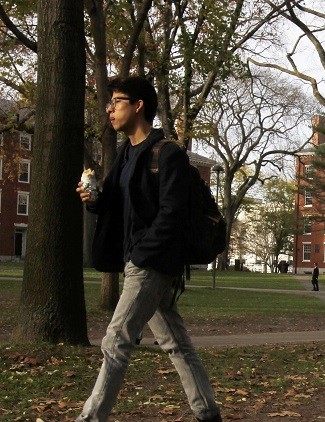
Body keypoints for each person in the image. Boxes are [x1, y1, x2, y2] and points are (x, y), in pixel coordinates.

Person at [75, 76, 221, 422]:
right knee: (175, 342)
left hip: (151, 262)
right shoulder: (126, 154)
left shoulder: (166, 153)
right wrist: (92, 198)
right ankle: (208, 413)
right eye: (109, 103)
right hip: (137, 259)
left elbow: (172, 213)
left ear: (139, 106)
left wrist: (142, 254)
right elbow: (114, 202)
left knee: (116, 340)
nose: (110, 109)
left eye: (117, 101)